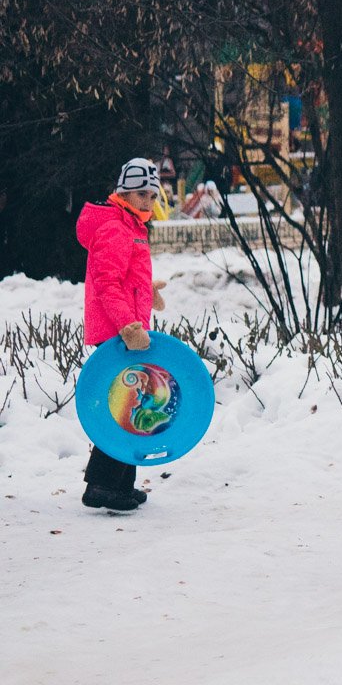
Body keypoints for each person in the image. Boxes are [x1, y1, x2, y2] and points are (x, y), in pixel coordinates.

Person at [75, 157, 169, 511]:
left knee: (128, 405)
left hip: (126, 329)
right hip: (117, 332)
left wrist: (148, 290)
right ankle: (101, 486)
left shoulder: (130, 225)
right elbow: (108, 283)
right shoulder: (115, 227)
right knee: (123, 408)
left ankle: (118, 484)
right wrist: (128, 328)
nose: (148, 201)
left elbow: (126, 277)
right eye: (141, 193)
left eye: (152, 195)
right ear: (124, 192)